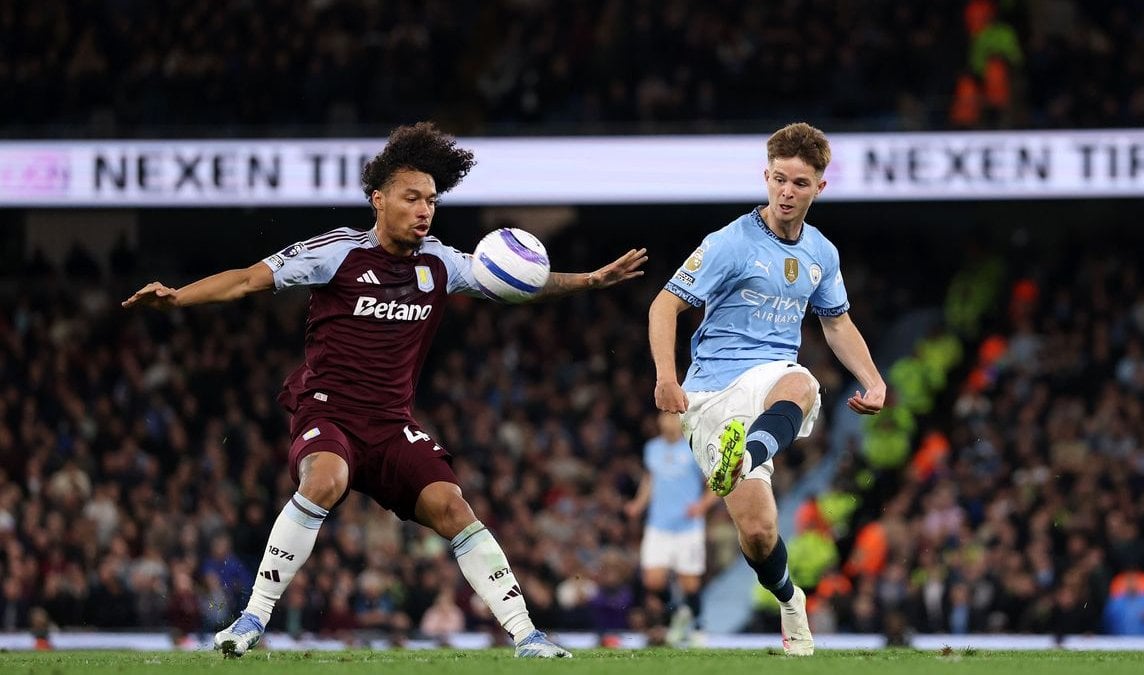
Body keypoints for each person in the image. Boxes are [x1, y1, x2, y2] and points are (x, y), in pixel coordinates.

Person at [122, 122, 648, 658]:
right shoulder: (337, 253)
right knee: (324, 480)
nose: (424, 210)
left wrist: (587, 280)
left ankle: (526, 636)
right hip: (328, 412)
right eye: (411, 198)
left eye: (432, 201)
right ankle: (251, 619)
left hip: (392, 425)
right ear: (378, 199)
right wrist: (179, 297)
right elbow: (245, 279)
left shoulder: (440, 263)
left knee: (453, 507)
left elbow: (517, 283)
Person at [647, 122, 886, 655]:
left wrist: (873, 380)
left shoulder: (822, 253)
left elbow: (837, 323)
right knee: (758, 532)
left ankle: (745, 454)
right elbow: (665, 304)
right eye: (779, 179)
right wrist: (665, 376)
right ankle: (789, 597)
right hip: (710, 393)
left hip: (771, 376)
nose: (786, 192)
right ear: (766, 177)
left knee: (801, 382)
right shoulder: (730, 243)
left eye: (799, 183)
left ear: (819, 187)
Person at [624, 411, 717, 646]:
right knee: (652, 580)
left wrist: (702, 505)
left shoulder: (695, 448)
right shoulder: (652, 448)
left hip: (687, 526)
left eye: (673, 416)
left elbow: (715, 481)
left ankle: (698, 626)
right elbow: (650, 480)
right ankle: (677, 612)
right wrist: (638, 504)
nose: (668, 421)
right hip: (658, 525)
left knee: (690, 582)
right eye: (664, 416)